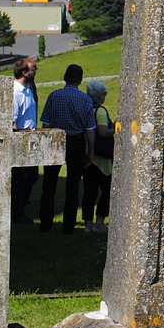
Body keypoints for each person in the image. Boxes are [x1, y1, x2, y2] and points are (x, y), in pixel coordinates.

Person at [39, 64, 95, 234]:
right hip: (76, 141)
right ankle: (68, 226)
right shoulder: (85, 100)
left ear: (65, 77)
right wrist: (90, 151)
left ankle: (45, 224)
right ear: (80, 79)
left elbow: (46, 124)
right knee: (73, 185)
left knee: (49, 184)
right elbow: (89, 129)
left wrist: (45, 146)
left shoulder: (54, 96)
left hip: (56, 139)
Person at [82, 81, 113, 234]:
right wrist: (116, 129)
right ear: (101, 95)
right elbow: (102, 132)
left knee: (89, 192)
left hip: (89, 156)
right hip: (101, 158)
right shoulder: (100, 111)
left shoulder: (86, 108)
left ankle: (87, 223)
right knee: (106, 191)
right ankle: (99, 222)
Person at [11, 58, 40, 223]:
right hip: (21, 136)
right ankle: (17, 212)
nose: (35, 71)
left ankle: (21, 208)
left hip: (31, 135)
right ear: (24, 72)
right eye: (32, 69)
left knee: (32, 176)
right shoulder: (16, 92)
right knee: (21, 178)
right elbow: (13, 120)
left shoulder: (29, 89)